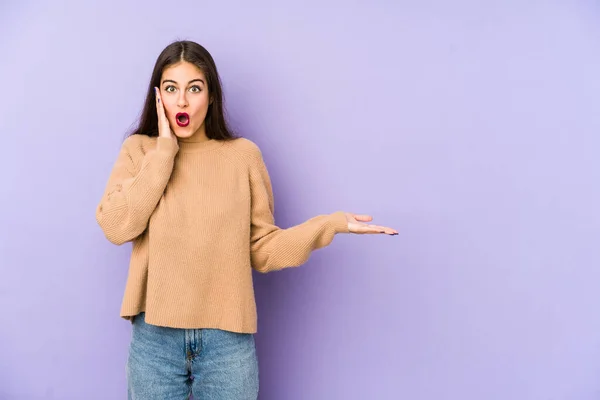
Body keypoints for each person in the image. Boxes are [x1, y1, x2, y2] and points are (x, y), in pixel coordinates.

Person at [95, 40, 397, 400]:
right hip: (155, 340)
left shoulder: (242, 157)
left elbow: (262, 249)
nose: (183, 102)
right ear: (158, 97)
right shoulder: (139, 151)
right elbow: (116, 226)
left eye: (195, 88)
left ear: (211, 95)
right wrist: (164, 153)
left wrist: (328, 225)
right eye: (172, 89)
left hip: (227, 344)